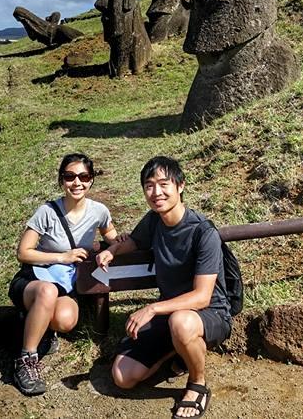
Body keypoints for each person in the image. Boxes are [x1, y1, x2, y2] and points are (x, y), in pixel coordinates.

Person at [96, 156, 230, 419]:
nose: (156, 192)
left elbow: (202, 296)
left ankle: (197, 384)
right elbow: (135, 241)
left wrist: (152, 308)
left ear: (180, 186)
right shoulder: (154, 220)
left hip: (210, 313)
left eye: (163, 183)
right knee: (123, 376)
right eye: (149, 185)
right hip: (171, 313)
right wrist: (113, 250)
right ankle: (179, 352)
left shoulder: (203, 232)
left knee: (182, 323)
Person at [8, 153, 119, 396]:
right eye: (70, 176)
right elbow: (23, 252)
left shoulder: (99, 211)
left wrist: (113, 249)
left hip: (64, 285)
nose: (76, 182)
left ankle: (42, 326)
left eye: (83, 176)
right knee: (46, 291)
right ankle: (26, 359)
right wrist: (62, 256)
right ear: (61, 180)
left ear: (91, 181)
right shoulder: (47, 212)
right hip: (34, 281)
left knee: (66, 320)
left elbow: (114, 238)